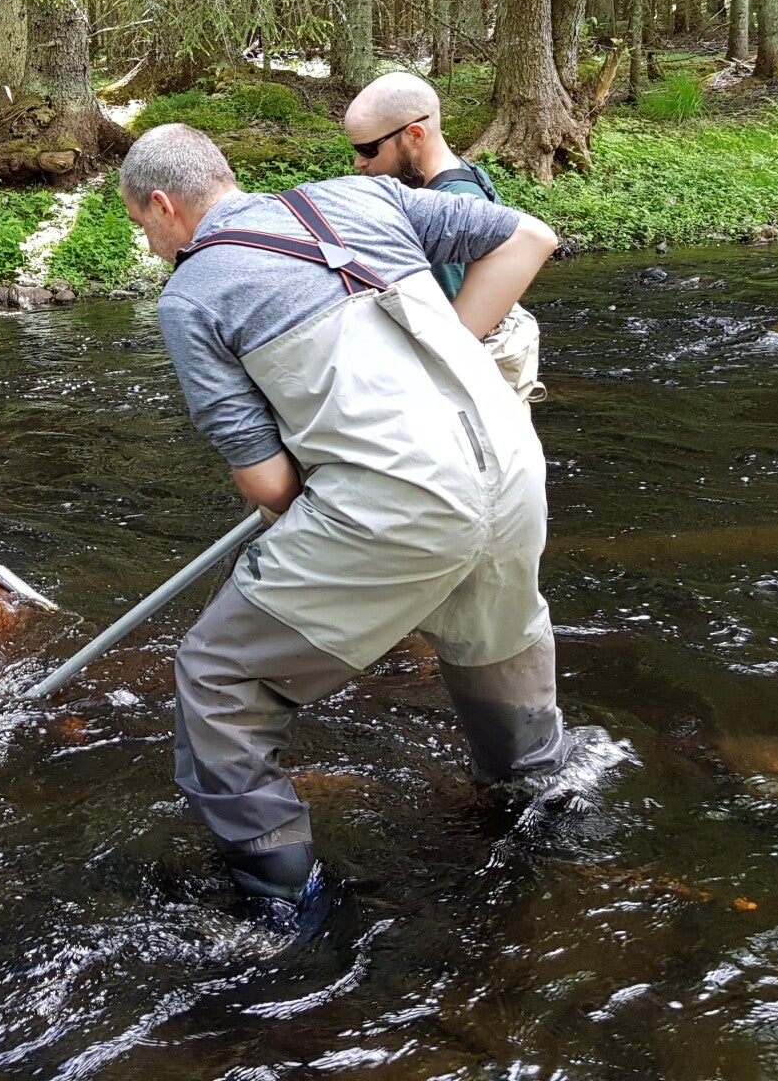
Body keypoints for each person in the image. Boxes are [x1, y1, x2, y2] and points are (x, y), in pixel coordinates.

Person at [120, 122, 582, 933]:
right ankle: (547, 822)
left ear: (163, 205)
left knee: (219, 679)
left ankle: (282, 906)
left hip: (397, 504)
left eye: (142, 227)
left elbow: (269, 485)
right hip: (512, 465)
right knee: (493, 645)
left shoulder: (193, 295)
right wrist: (459, 353)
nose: (151, 245)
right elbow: (531, 237)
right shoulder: (358, 195)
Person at [342, 71, 544, 401]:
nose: (358, 162)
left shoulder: (452, 209)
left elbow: (447, 326)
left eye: (368, 149)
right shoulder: (462, 174)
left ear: (415, 135)